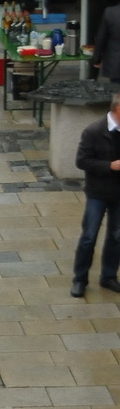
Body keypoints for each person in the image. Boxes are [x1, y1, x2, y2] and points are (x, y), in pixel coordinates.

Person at [72, 94, 120, 296]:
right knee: (89, 237)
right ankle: (80, 279)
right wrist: (109, 166)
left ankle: (108, 276)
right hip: (98, 192)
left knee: (117, 237)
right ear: (117, 110)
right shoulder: (93, 131)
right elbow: (82, 161)